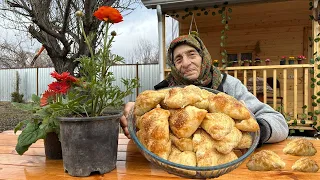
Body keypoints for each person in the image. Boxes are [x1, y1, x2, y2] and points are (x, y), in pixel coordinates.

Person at [120, 34, 289, 146]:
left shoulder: (228, 86)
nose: (186, 63)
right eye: (178, 59)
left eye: (192, 54)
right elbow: (146, 127)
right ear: (173, 66)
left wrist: (254, 131)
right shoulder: (165, 93)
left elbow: (279, 122)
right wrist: (133, 116)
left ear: (204, 57)